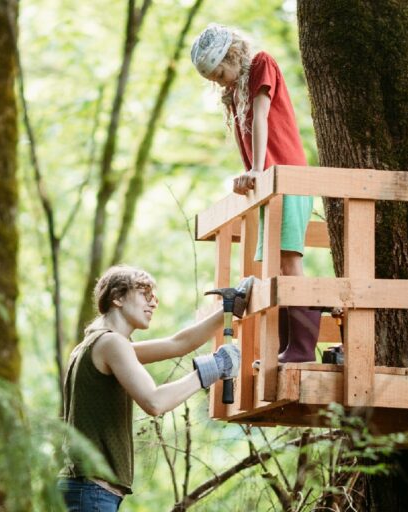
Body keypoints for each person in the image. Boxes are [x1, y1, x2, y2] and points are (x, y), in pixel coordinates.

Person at [57, 265, 245, 511]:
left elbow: (178, 343)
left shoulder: (95, 344)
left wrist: (228, 310)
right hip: (92, 492)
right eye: (144, 293)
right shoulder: (111, 344)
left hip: (88, 490)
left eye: (154, 296)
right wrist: (213, 368)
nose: (153, 302)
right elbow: (154, 402)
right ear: (117, 297)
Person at [191, 23, 320, 363]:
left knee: (290, 261)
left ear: (232, 56)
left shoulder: (262, 63)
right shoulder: (233, 92)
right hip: (267, 182)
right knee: (273, 267)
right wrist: (247, 175)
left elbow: (261, 117)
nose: (220, 81)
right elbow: (244, 136)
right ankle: (285, 347)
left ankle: (302, 350)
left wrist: (257, 170)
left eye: (220, 73)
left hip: (287, 176)